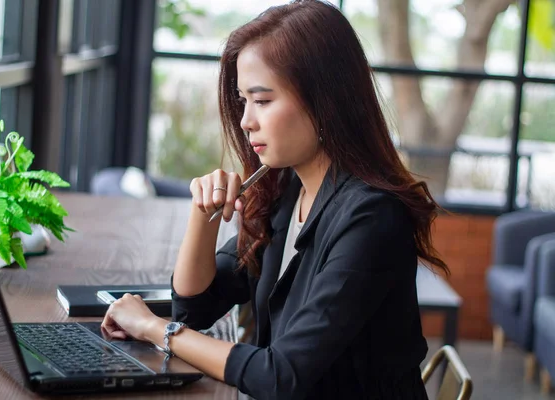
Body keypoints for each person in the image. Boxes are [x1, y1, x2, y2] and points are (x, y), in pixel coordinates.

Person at [101, 1, 448, 398]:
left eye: (262, 101)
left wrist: (153, 329)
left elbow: (281, 375)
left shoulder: (372, 217)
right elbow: (193, 310)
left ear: (325, 103)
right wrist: (203, 215)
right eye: (243, 101)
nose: (247, 120)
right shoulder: (289, 190)